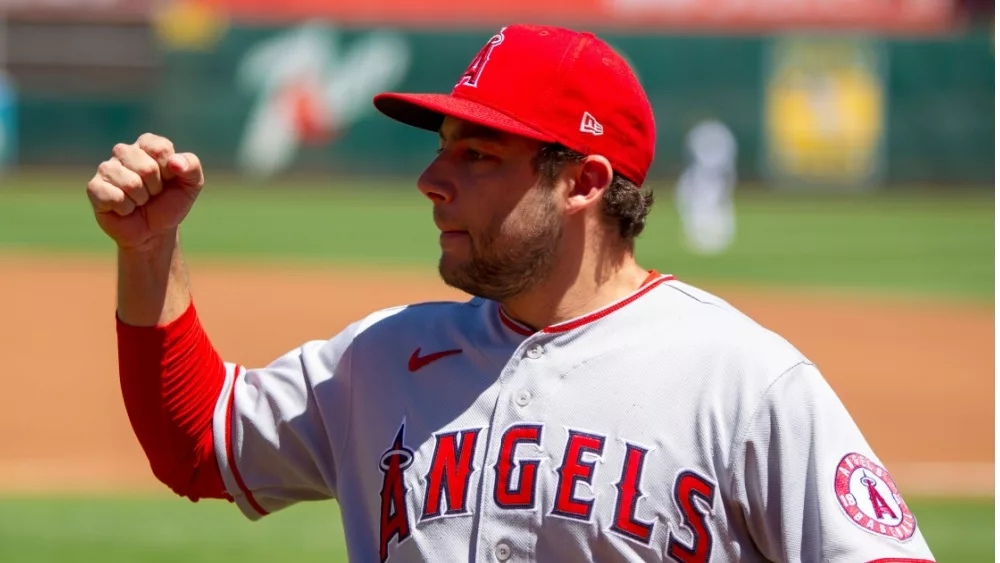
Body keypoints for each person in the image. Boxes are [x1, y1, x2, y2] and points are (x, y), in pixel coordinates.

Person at [86, 24, 936, 563]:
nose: (430, 179)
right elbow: (200, 443)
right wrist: (151, 251)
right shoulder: (383, 357)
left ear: (584, 181)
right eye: (443, 147)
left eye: (478, 156)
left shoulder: (743, 381)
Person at [675, 119, 738, 255]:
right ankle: (702, 237)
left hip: (712, 180)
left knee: (713, 208)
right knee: (699, 207)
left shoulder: (717, 142)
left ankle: (714, 238)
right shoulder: (706, 143)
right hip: (702, 178)